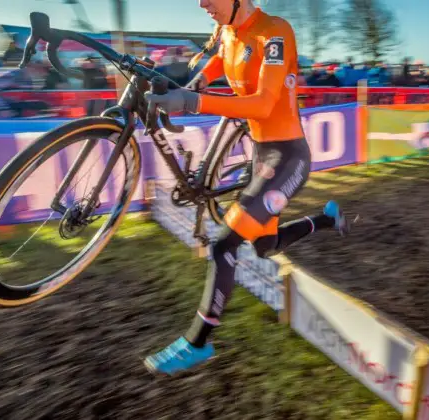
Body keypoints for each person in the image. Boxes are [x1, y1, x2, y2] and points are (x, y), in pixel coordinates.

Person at [142, 0, 353, 375]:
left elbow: (263, 105)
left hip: (289, 158)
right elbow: (216, 65)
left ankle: (198, 342)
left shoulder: (275, 31)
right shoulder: (228, 32)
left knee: (224, 243)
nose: (202, 3)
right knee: (265, 245)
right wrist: (188, 87)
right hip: (262, 154)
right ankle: (326, 219)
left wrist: (191, 101)